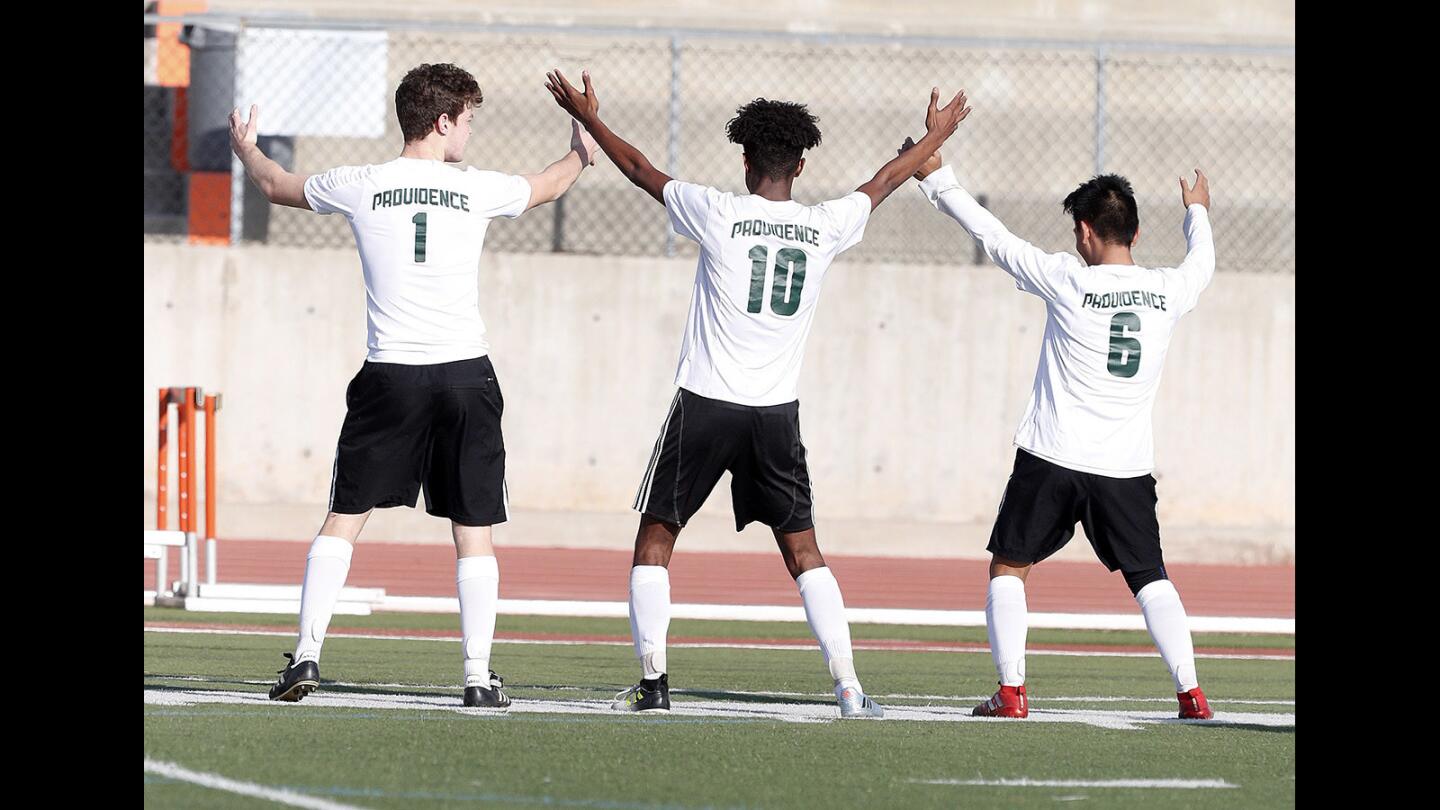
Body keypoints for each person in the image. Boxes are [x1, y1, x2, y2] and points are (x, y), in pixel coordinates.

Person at [545, 67, 970, 718]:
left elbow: (636, 167)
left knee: (656, 540)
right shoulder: (825, 225)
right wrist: (935, 135)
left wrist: (591, 118)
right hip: (775, 414)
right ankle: (850, 686)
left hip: (706, 404)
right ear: (800, 166)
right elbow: (885, 180)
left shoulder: (717, 212)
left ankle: (654, 685)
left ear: (746, 162)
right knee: (803, 550)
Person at [228, 62, 598, 709]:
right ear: (442, 120)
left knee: (345, 517)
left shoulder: (361, 183)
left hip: (389, 376)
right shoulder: (475, 187)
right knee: (473, 528)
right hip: (463, 375)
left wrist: (245, 146)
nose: (471, 130)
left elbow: (275, 185)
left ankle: (306, 657)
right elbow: (545, 188)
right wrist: (581, 148)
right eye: (468, 118)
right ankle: (478, 678)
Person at [902, 136, 1217, 720]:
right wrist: (1196, 208)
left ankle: (1013, 693)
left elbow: (994, 238)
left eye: (1079, 230)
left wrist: (938, 179)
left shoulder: (1068, 280)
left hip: (1052, 456)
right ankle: (1191, 693)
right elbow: (1203, 263)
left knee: (1008, 568)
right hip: (1124, 470)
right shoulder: (1170, 291)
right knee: (1150, 578)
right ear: (1137, 234)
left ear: (1085, 233)